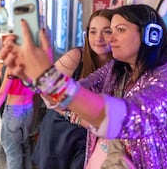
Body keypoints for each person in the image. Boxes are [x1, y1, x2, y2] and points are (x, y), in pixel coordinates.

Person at [0, 4, 167, 168]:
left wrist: (51, 81)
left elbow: (132, 118)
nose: (110, 39)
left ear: (151, 35)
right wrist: (34, 78)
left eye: (119, 30)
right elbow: (77, 92)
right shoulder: (117, 69)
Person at [32, 9, 113, 169]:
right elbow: (44, 89)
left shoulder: (122, 65)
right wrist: (74, 116)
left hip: (92, 138)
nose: (99, 38)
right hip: (62, 131)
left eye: (107, 31)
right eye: (93, 32)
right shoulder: (76, 56)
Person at [0, 67, 35, 169]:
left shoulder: (12, 68)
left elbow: (1, 94)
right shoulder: (36, 65)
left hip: (13, 113)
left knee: (13, 154)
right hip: (29, 110)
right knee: (26, 148)